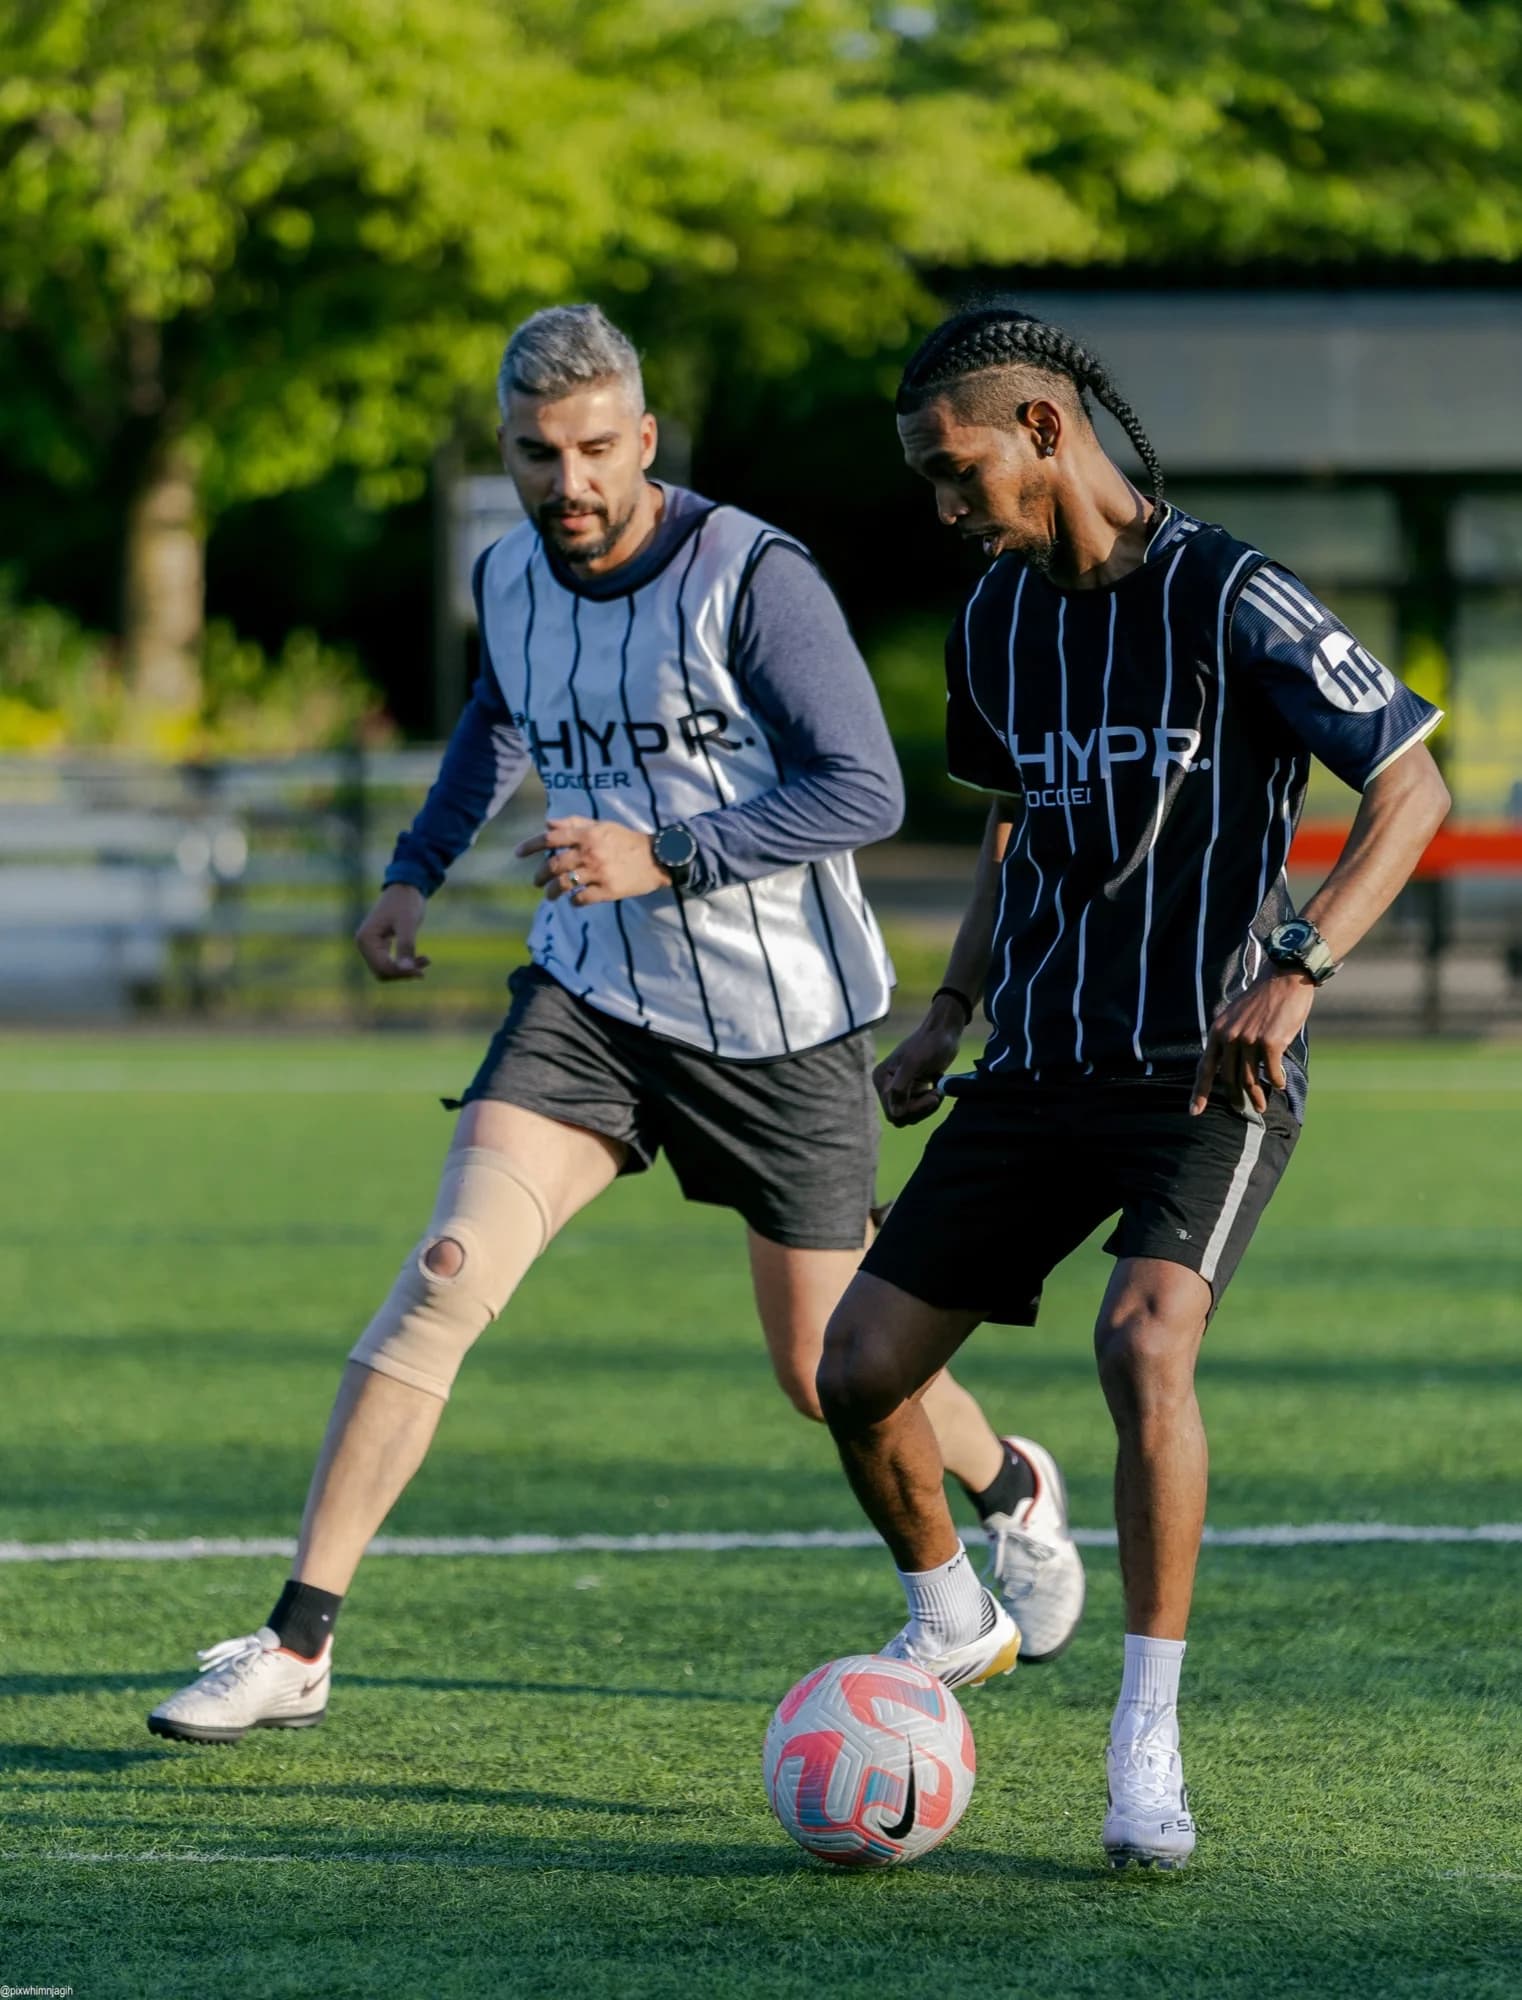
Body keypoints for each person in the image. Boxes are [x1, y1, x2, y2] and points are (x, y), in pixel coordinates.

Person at [148, 303, 1058, 1746]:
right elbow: (494, 721)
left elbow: (864, 793)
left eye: (589, 450)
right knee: (444, 1274)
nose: (563, 483)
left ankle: (1008, 1489)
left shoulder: (751, 574)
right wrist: (411, 874)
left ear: (641, 440)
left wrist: (667, 849)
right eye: (533, 453)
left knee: (824, 1371)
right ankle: (296, 1641)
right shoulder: (509, 573)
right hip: (590, 998)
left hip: (779, 1020)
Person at [815, 302, 1451, 1870]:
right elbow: (1016, 820)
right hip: (1034, 1062)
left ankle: (1142, 1736)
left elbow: (1413, 783)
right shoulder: (995, 621)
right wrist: (949, 1005)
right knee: (853, 1372)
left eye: (952, 468)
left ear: (1040, 428)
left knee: (1142, 1341)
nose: (942, 506)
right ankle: (954, 1613)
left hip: (1203, 1068)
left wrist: (1293, 963)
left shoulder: (1229, 589)